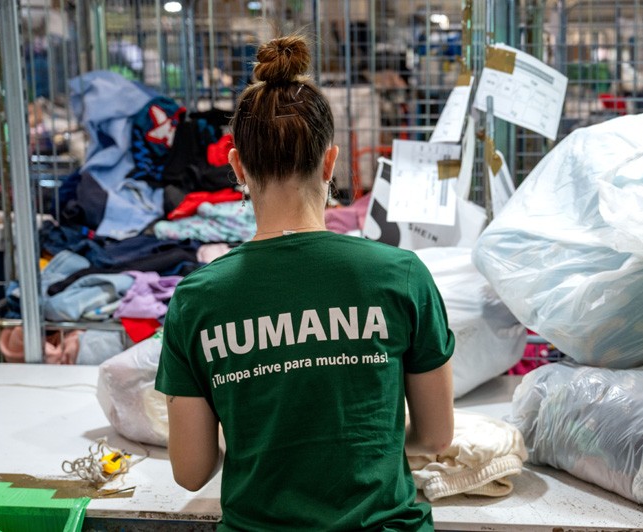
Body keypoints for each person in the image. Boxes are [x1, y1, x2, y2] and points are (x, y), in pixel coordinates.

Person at [155, 34, 455, 531]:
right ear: (330, 163)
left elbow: (190, 472)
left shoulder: (198, 299)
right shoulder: (401, 276)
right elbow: (436, 436)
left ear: (237, 169)